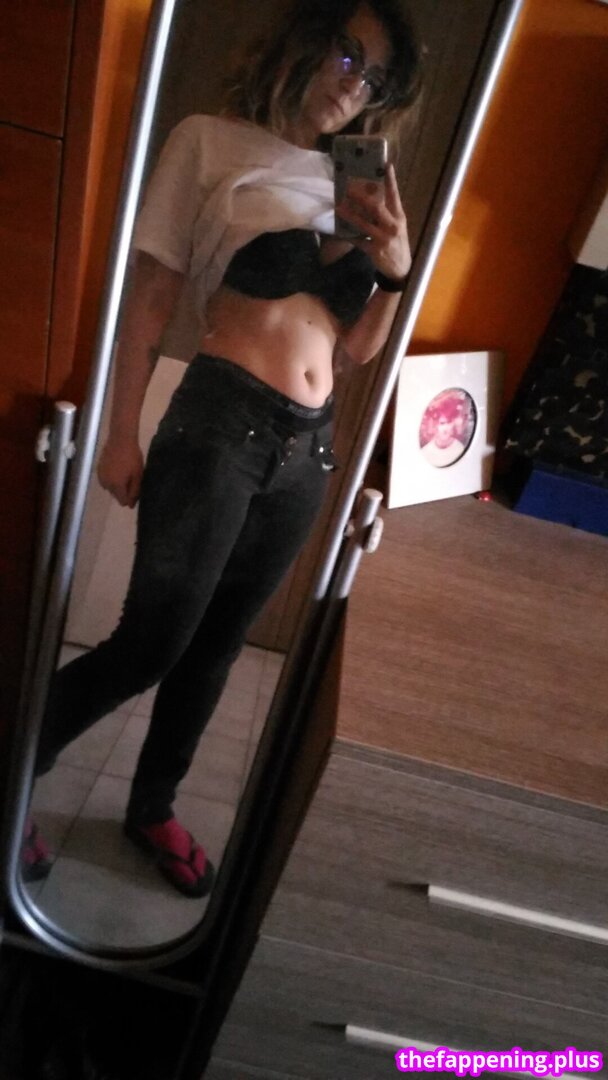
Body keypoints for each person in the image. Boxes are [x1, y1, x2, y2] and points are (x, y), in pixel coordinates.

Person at [27, 0, 421, 897]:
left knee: (216, 647)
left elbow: (358, 351)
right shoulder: (207, 142)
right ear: (306, 38)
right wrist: (119, 430)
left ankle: (152, 805)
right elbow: (150, 303)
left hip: (307, 454)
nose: (354, 84)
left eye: (375, 78)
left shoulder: (354, 185)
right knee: (151, 641)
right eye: (348, 54)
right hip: (217, 427)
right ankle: (14, 775)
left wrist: (396, 269)